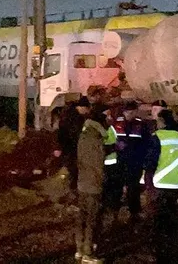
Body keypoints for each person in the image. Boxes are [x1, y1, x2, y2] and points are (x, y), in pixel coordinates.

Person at [142, 109, 178, 263]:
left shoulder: (158, 137)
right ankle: (173, 250)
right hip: (175, 184)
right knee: (171, 219)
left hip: (160, 184)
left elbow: (150, 161)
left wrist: (148, 184)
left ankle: (160, 253)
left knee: (158, 221)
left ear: (162, 122)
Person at [75, 107, 109, 262]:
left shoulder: (83, 136)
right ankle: (88, 253)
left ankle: (79, 249)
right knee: (92, 219)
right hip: (93, 184)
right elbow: (99, 164)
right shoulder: (96, 140)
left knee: (81, 216)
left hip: (82, 182)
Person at [119, 101, 150, 224]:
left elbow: (146, 143)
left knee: (133, 187)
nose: (129, 115)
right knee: (120, 186)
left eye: (131, 112)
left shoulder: (140, 125)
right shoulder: (118, 123)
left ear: (136, 112)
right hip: (120, 161)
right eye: (127, 112)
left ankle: (134, 212)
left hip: (134, 162)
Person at [57, 97, 91, 194]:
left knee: (72, 170)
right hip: (72, 148)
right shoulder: (75, 118)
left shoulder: (68, 114)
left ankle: (70, 190)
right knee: (73, 170)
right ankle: (72, 190)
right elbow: (74, 134)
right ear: (83, 107)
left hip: (68, 148)